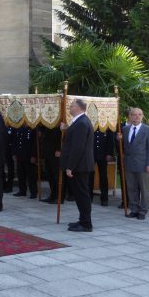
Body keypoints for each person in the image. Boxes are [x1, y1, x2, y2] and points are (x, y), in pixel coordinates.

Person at [60, 99, 95, 232]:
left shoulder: (81, 123)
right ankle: (82, 219)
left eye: (72, 106)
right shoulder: (79, 122)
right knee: (80, 195)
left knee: (82, 195)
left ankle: (86, 224)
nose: (69, 108)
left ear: (78, 108)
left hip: (80, 166)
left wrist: (70, 166)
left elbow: (78, 147)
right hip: (79, 165)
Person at [119, 108, 149, 220]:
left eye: (139, 114)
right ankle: (134, 209)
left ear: (142, 116)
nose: (137, 116)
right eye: (134, 114)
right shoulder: (125, 129)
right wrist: (118, 139)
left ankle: (143, 211)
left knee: (144, 189)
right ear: (130, 116)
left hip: (143, 164)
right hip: (129, 163)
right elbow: (123, 147)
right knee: (131, 188)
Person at [12, 127, 38, 199]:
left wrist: (33, 155)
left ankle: (33, 192)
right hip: (19, 155)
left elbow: (35, 143)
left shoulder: (32, 128)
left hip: (29, 156)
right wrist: (14, 153)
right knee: (21, 175)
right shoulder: (18, 128)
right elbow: (15, 141)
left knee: (31, 176)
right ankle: (22, 191)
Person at [38, 126, 62, 204]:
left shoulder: (57, 125)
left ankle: (59, 197)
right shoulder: (45, 126)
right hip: (47, 154)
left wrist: (59, 149)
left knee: (56, 176)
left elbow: (61, 137)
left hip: (55, 154)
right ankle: (53, 195)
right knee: (50, 176)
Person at [93, 129, 115, 206]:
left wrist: (109, 153)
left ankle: (104, 198)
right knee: (89, 175)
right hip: (91, 153)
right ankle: (88, 196)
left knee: (103, 176)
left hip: (103, 154)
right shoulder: (91, 123)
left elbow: (110, 140)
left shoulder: (107, 124)